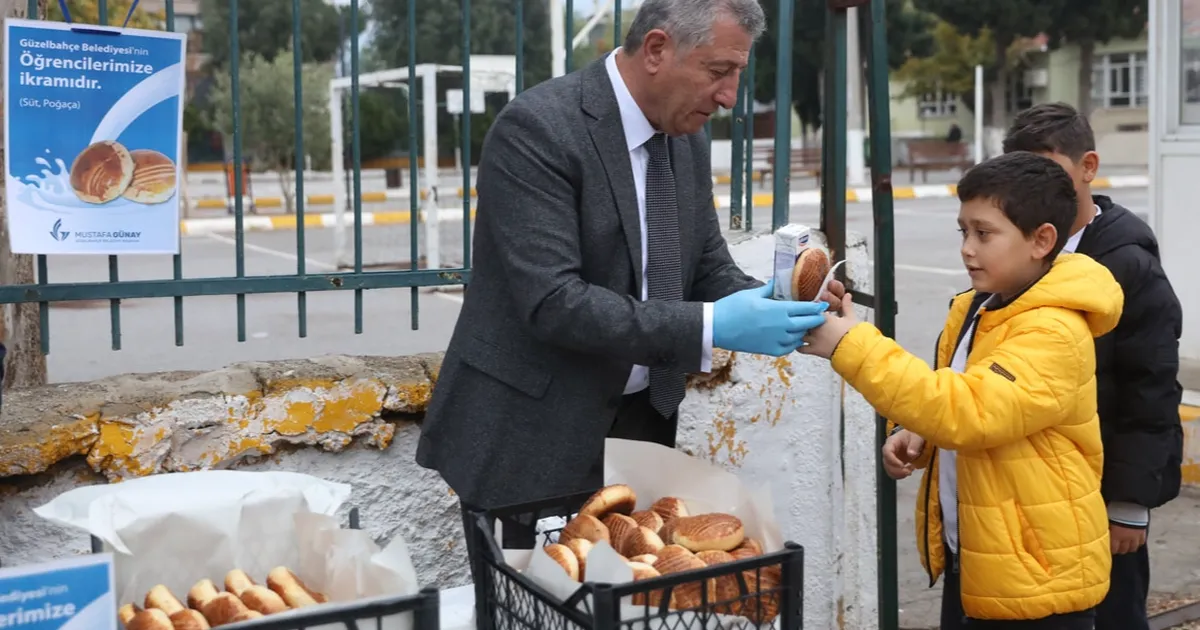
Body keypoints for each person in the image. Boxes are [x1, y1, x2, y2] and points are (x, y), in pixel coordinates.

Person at [414, 0, 843, 556]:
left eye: (737, 73)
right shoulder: (537, 129)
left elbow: (705, 262)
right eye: (718, 72)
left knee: (629, 602)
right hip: (531, 437)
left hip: (640, 431)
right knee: (534, 609)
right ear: (658, 49)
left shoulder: (685, 135)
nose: (730, 97)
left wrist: (773, 303)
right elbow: (553, 302)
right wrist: (714, 323)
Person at [801, 151, 1123, 629]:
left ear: (1042, 240)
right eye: (963, 231)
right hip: (981, 555)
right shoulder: (981, 308)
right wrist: (919, 434)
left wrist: (850, 345)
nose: (967, 248)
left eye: (984, 233)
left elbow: (968, 411)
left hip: (1037, 579)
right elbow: (965, 398)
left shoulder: (1053, 331)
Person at [997, 102, 1184, 630]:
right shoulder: (1016, 250)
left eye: (1049, 170)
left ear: (1088, 166)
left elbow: (1150, 387)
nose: (1036, 191)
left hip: (1101, 497)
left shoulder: (1127, 264)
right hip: (1033, 491)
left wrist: (1129, 501)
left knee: (1114, 613)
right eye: (1022, 175)